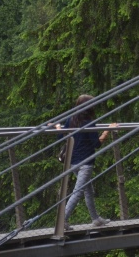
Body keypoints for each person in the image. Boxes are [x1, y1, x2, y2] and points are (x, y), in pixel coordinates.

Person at [56, 94, 117, 229]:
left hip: (72, 162)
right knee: (78, 192)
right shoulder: (89, 123)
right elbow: (96, 144)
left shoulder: (70, 119)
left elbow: (61, 136)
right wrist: (107, 130)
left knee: (88, 189)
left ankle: (95, 218)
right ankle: (62, 220)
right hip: (85, 164)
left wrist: (57, 127)